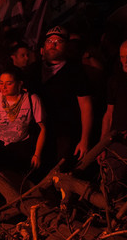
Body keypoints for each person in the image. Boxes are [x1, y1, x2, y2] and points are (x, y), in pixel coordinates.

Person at [34, 27, 93, 168]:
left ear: (66, 46)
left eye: (58, 41)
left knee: (61, 173)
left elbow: (86, 106)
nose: (53, 44)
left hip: (66, 133)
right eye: (49, 41)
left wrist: (84, 139)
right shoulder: (33, 70)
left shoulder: (75, 71)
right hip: (38, 134)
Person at [0, 69, 46, 182]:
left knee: (22, 181)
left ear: (19, 83)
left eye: (9, 83)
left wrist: (37, 154)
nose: (3, 87)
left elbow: (43, 128)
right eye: (1, 83)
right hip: (1, 147)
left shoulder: (32, 99)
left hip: (24, 148)